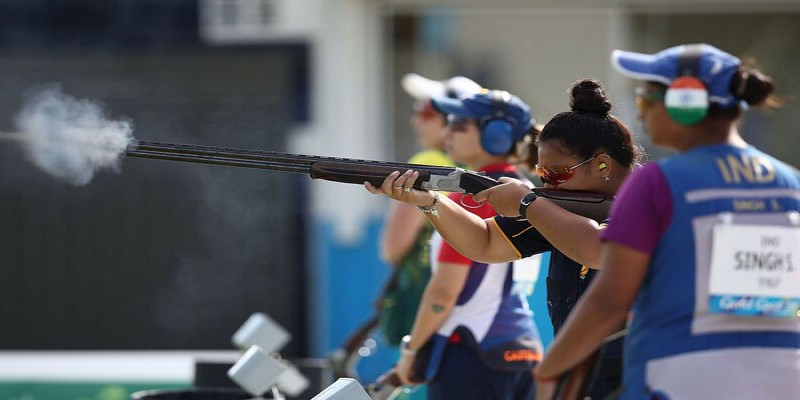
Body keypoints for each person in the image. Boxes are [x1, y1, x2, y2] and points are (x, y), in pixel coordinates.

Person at [533, 44, 800, 399]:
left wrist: (552, 369)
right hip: (776, 380)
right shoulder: (788, 182)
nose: (641, 114)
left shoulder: (657, 183)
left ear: (684, 104)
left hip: (678, 378)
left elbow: (609, 300)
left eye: (647, 99)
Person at [367, 79, 644, 399]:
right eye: (543, 175)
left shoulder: (651, 202)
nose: (549, 185)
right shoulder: (560, 213)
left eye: (557, 174)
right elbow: (484, 243)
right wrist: (429, 201)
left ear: (601, 164)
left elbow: (599, 251)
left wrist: (528, 203)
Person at [368, 89, 543, 400]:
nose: (447, 132)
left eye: (460, 124)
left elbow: (445, 292)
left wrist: (411, 350)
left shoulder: (474, 199)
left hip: (471, 354)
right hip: (522, 349)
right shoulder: (524, 191)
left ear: (498, 136)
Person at [328, 73, 481, 380]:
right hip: (479, 324)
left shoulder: (428, 161)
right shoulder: (484, 171)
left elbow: (393, 249)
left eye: (426, 112)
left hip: (429, 317)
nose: (417, 121)